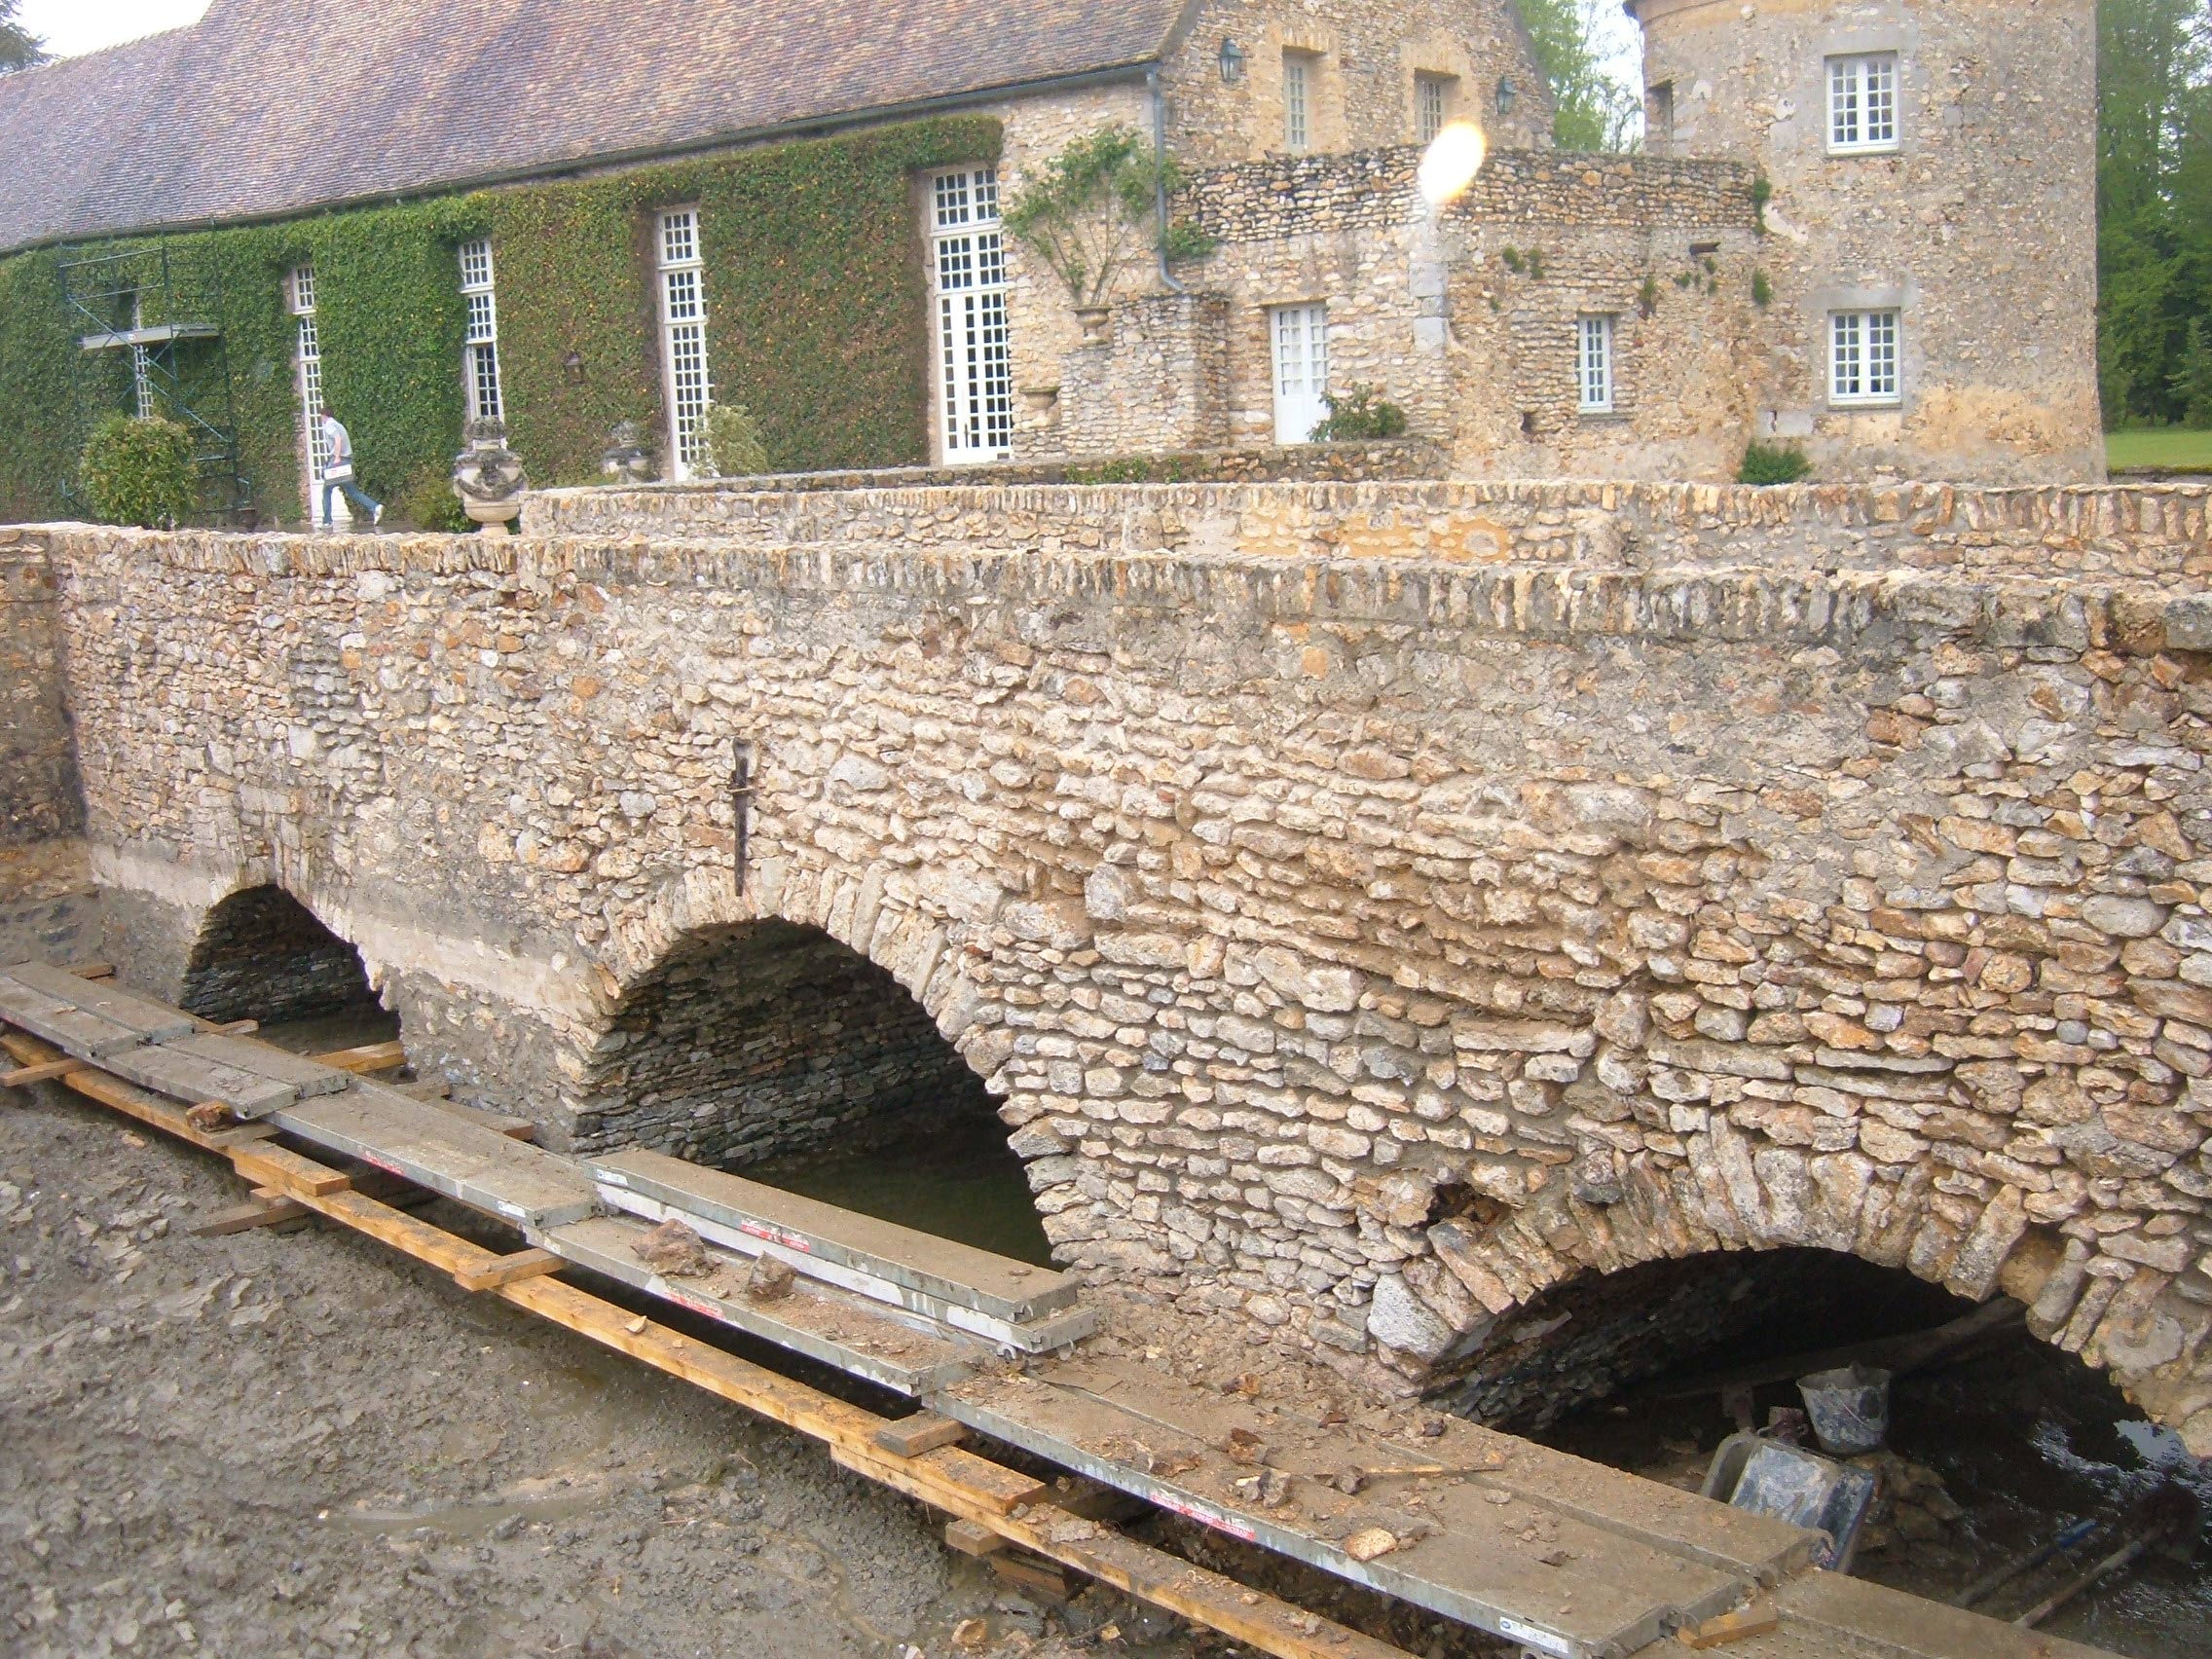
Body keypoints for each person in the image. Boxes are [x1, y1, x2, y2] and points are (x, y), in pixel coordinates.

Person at [316, 405, 383, 530]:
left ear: (324, 416)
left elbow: (337, 439)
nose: (321, 420)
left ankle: (327, 521)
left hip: (338, 461)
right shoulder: (339, 425)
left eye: (321, 417)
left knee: (326, 491)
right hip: (347, 460)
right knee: (353, 491)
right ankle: (375, 507)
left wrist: (336, 457)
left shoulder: (329, 425)